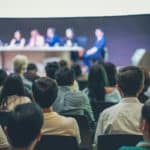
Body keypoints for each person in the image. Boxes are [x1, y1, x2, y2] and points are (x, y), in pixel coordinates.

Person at [94, 66, 144, 144]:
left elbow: (97, 144)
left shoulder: (106, 114)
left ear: (118, 88)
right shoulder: (147, 115)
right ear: (141, 88)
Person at [32, 77, 81, 144]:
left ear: (33, 97)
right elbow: (77, 145)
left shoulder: (27, 125)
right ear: (56, 96)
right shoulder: (70, 123)